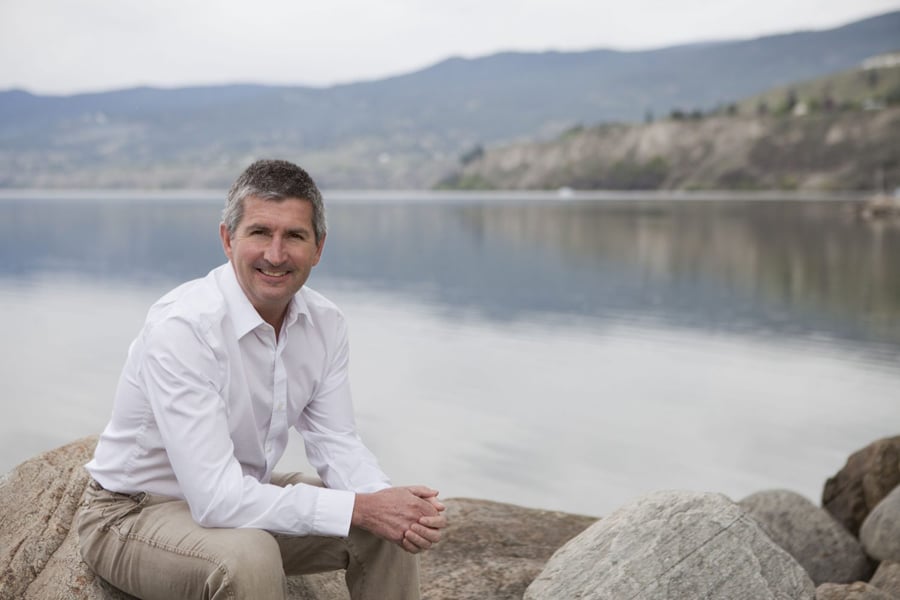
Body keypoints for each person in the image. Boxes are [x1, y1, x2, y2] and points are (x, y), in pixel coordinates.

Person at [75, 159, 447, 600]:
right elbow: (216, 500)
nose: (275, 254)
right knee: (250, 555)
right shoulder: (185, 327)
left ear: (319, 247)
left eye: (294, 236)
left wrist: (385, 504)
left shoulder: (325, 323)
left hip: (240, 493)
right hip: (132, 514)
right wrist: (358, 507)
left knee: (391, 531)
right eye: (259, 233)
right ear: (227, 239)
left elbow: (336, 441)